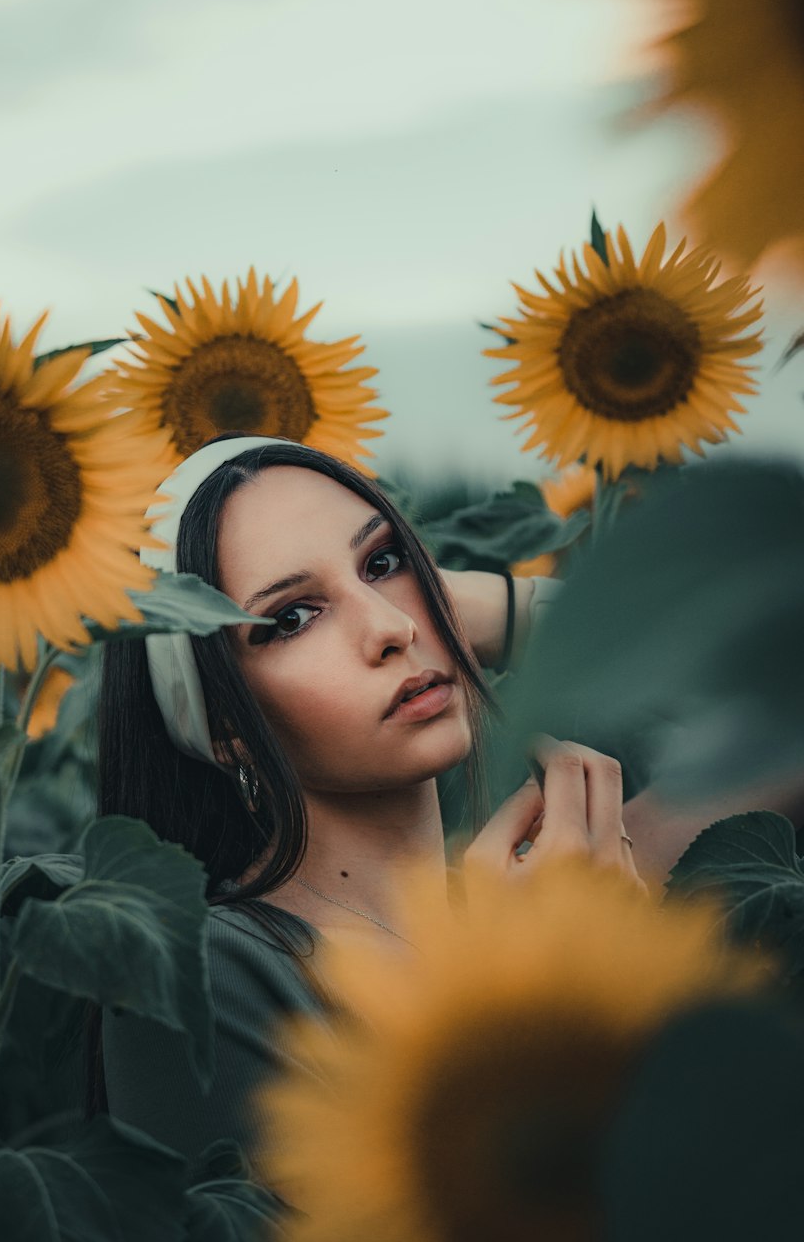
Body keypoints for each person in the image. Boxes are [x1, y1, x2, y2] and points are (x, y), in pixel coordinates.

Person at [92, 433, 643, 1178]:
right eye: (291, 617)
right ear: (225, 731)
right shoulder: (203, 974)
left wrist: (473, 606)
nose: (392, 627)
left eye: (383, 561)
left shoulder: (560, 873)